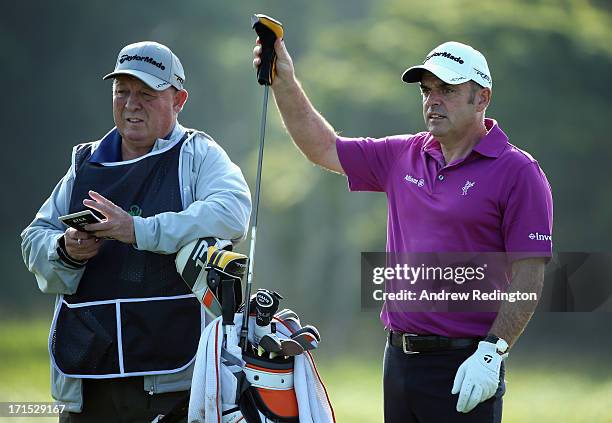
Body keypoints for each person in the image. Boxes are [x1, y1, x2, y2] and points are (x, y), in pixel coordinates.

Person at [253, 38, 553, 422]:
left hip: (467, 364)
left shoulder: (518, 172)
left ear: (482, 98)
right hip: (398, 361)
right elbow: (322, 147)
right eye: (427, 91)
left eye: (447, 89)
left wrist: (493, 352)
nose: (432, 100)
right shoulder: (402, 155)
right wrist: (285, 81)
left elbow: (530, 273)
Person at [21, 41, 251, 422]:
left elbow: (231, 213)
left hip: (172, 380)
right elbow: (34, 238)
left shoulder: (199, 154)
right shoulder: (85, 163)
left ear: (178, 100)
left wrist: (138, 230)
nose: (131, 104)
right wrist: (65, 249)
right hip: (86, 371)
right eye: (122, 92)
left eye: (146, 94)